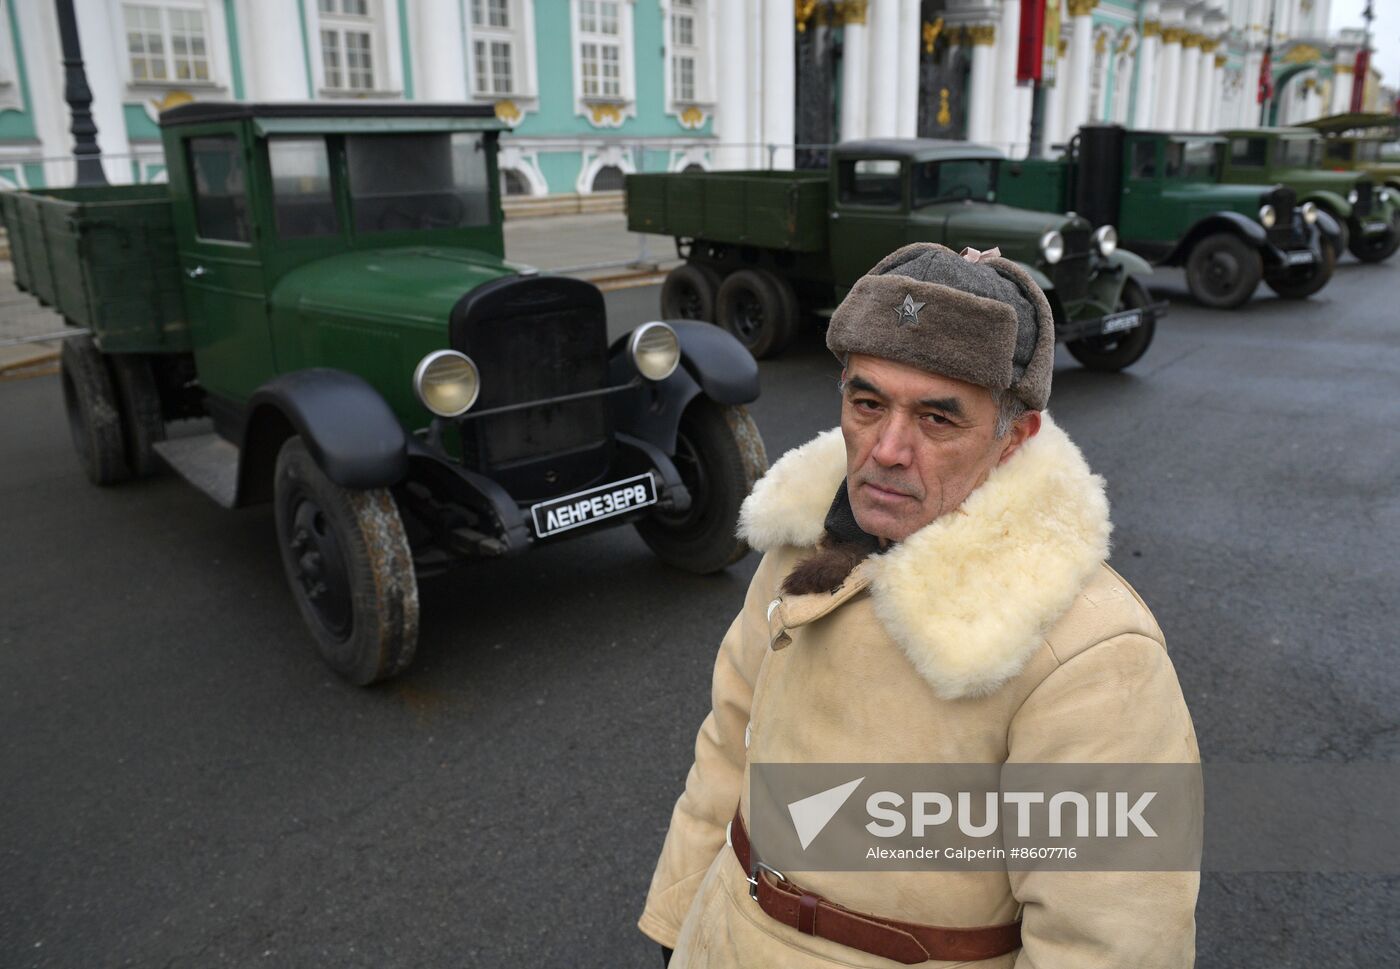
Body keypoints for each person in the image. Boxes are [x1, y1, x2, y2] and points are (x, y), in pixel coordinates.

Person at [637, 243, 1200, 968]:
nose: (888, 449)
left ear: (1013, 439)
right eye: (867, 403)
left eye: (938, 419)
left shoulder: (1089, 650)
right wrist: (677, 919)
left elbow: (1113, 938)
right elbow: (727, 746)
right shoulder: (796, 548)